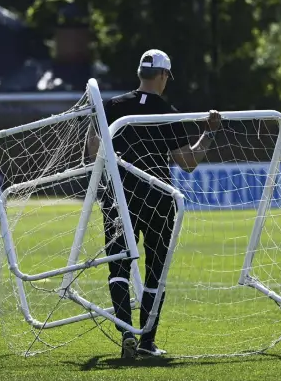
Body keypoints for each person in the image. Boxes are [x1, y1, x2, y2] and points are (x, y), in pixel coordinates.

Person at [86, 49, 222, 358]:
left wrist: (95, 125)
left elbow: (94, 152)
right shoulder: (166, 112)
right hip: (158, 197)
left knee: (118, 266)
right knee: (155, 270)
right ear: (163, 76)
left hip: (119, 196)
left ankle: (125, 333)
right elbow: (187, 162)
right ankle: (147, 341)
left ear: (139, 74)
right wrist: (208, 133)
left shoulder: (111, 107)